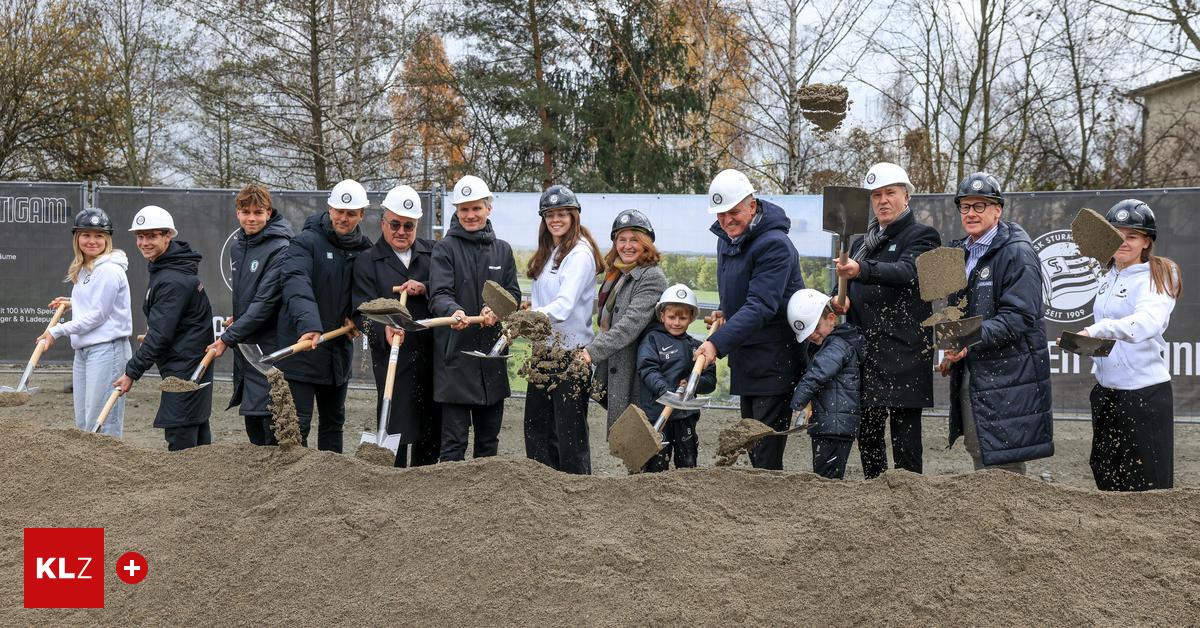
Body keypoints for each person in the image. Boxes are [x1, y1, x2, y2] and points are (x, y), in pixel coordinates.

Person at [938, 172, 1053, 474]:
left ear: (997, 210)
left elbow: (1020, 316)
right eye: (965, 206)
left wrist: (969, 338)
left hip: (1008, 374)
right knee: (978, 446)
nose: (971, 213)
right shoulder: (961, 252)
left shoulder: (1017, 252)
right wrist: (952, 349)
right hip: (977, 369)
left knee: (1003, 455)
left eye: (980, 206)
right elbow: (958, 313)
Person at [833, 163, 940, 477]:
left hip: (905, 356)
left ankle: (909, 501)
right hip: (865, 356)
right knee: (868, 439)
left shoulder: (923, 236)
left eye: (890, 193)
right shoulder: (860, 244)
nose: (882, 200)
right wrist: (837, 299)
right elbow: (844, 285)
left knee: (906, 443)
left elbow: (908, 272)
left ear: (906, 196)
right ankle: (875, 496)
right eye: (876, 195)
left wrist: (861, 270)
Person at [694, 168, 805, 470]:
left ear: (752, 206)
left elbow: (761, 305)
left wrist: (716, 344)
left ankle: (771, 499)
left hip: (773, 360)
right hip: (748, 359)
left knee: (765, 453)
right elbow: (739, 291)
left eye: (733, 212)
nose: (726, 221)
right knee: (754, 447)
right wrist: (725, 311)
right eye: (720, 215)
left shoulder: (774, 244)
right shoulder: (727, 239)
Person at [1076, 200, 1180, 491]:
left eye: (1132, 236)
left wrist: (1097, 330)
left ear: (1147, 241)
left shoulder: (1158, 276)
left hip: (1143, 396)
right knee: (1107, 477)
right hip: (1107, 393)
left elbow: (1146, 323)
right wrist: (1087, 346)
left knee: (1147, 485)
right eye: (1117, 234)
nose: (1123, 241)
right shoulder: (1109, 276)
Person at [429, 175, 521, 462]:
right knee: (454, 443)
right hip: (456, 358)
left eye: (476, 208)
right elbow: (439, 294)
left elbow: (513, 294)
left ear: (488, 209)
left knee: (488, 443)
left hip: (492, 358)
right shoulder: (445, 248)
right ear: (457, 212)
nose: (470, 215)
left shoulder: (502, 250)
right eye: (464, 209)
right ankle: (450, 490)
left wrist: (498, 310)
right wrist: (453, 311)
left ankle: (487, 492)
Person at [277, 179, 371, 453]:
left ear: (361, 214)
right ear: (329, 208)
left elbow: (367, 294)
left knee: (333, 423)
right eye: (339, 211)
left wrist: (358, 318)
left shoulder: (366, 250)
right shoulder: (305, 242)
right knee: (298, 425)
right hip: (304, 347)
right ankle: (295, 476)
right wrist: (309, 325)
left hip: (337, 354)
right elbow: (297, 283)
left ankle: (332, 477)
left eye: (351, 213)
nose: (343, 218)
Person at [352, 184, 441, 468]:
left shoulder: (434, 254)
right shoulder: (367, 261)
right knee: (396, 426)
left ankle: (425, 481)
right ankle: (394, 482)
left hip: (432, 355)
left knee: (431, 429)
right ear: (383, 222)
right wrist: (383, 331)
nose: (401, 231)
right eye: (395, 224)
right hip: (393, 358)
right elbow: (361, 313)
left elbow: (445, 290)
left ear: (417, 226)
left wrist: (425, 287)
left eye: (408, 225)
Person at [114, 206, 214, 451]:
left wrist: (131, 372)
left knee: (182, 433)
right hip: (184, 360)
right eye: (140, 236)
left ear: (168, 235)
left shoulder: (172, 279)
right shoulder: (165, 267)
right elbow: (167, 326)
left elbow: (160, 336)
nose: (144, 243)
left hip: (185, 367)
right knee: (195, 429)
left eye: (152, 236)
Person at [523, 185, 603, 475]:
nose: (555, 219)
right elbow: (546, 301)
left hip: (571, 356)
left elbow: (564, 306)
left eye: (562, 214)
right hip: (543, 352)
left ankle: (578, 492)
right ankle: (542, 489)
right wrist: (530, 308)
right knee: (537, 428)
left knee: (569, 435)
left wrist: (529, 316)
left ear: (573, 216)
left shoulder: (579, 254)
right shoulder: (549, 252)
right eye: (550, 214)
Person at [206, 183, 293, 446]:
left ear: (269, 213)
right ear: (237, 213)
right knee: (253, 421)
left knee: (272, 426)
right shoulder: (238, 247)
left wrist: (226, 338)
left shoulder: (281, 247)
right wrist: (239, 319)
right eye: (246, 212)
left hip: (271, 349)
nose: (251, 218)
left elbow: (265, 304)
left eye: (258, 212)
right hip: (246, 347)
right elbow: (250, 299)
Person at [39, 208, 132, 436]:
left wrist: (57, 330)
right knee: (84, 421)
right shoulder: (85, 269)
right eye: (86, 235)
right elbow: (97, 304)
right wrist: (73, 302)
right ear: (77, 238)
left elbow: (98, 315)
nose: (92, 241)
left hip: (107, 350)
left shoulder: (109, 270)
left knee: (102, 423)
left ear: (107, 239)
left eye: (99, 235)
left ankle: (107, 461)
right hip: (85, 350)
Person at [580, 209, 668, 433]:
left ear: (646, 244)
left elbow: (629, 325)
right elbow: (607, 322)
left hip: (639, 372)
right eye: (622, 239)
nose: (627, 246)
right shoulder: (617, 274)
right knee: (624, 437)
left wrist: (592, 351)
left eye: (634, 240)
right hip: (619, 364)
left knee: (638, 436)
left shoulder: (651, 276)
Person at [786, 289, 865, 480]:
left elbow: (816, 375)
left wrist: (797, 402)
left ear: (831, 318)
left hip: (834, 425)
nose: (812, 335)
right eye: (807, 333)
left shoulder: (836, 345)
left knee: (827, 478)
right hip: (831, 423)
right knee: (826, 475)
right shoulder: (834, 344)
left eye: (815, 328)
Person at [637, 284, 716, 472]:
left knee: (687, 460)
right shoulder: (653, 340)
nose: (677, 322)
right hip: (657, 412)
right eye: (672, 317)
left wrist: (694, 384)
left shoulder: (698, 348)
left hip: (685, 415)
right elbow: (648, 369)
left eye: (682, 318)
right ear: (662, 315)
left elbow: (710, 380)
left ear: (691, 317)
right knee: (656, 462)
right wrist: (666, 391)